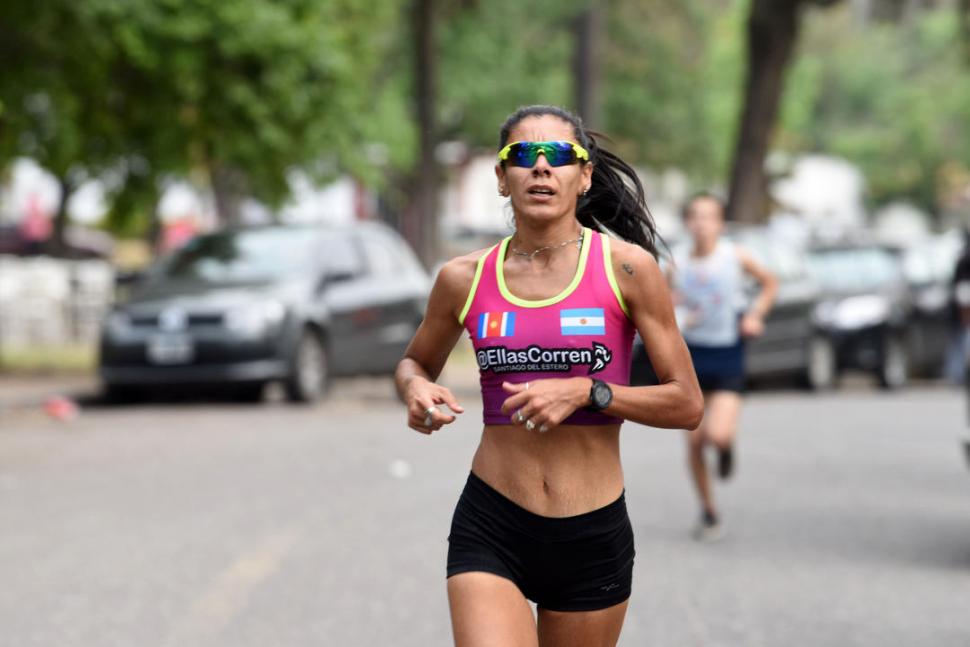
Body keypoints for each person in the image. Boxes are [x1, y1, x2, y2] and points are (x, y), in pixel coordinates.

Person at [394, 105, 703, 647]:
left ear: (584, 176)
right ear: (501, 177)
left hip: (591, 532)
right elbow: (414, 362)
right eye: (523, 155)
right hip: (492, 522)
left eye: (559, 154)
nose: (541, 166)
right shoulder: (463, 277)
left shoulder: (628, 269)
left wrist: (590, 391)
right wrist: (416, 387)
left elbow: (687, 404)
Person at [668, 192, 777, 541]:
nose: (701, 224)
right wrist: (675, 311)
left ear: (719, 223)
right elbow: (662, 303)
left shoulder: (734, 256)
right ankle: (708, 511)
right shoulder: (675, 262)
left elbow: (770, 283)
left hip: (728, 352)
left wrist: (755, 315)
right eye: (695, 217)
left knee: (716, 434)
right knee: (695, 443)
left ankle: (726, 448)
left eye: (709, 217)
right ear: (687, 222)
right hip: (690, 357)